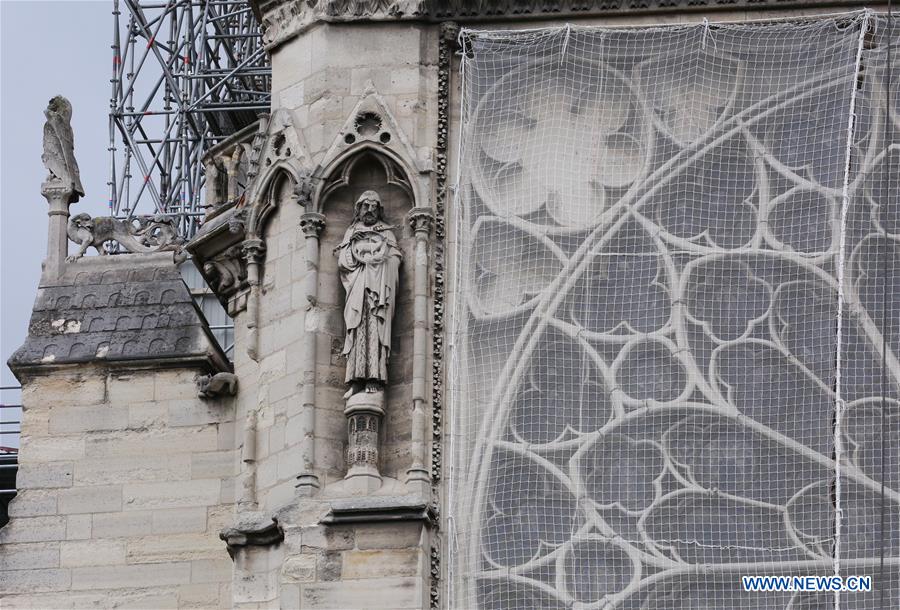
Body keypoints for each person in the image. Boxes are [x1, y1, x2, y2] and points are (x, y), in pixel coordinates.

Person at [335, 190, 402, 398]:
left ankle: (375, 377)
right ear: (359, 209)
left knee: (375, 332)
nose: (370, 211)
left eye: (374, 207)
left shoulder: (386, 233)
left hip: (378, 293)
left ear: (379, 210)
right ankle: (355, 381)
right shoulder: (352, 231)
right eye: (366, 206)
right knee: (356, 331)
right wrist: (355, 251)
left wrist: (383, 263)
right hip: (358, 290)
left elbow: (395, 257)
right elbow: (343, 262)